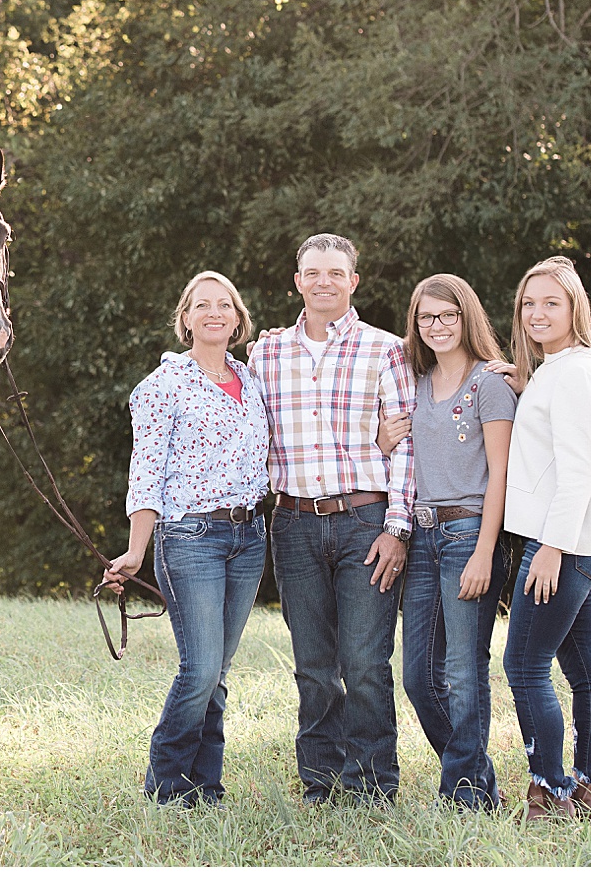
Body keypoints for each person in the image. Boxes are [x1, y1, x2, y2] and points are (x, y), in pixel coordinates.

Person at [250, 233, 414, 805]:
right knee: (314, 664)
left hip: (364, 522)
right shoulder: (265, 354)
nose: (323, 281)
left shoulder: (385, 348)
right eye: (312, 272)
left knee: (366, 661)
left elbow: (407, 446)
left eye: (335, 273)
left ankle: (372, 784)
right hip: (292, 525)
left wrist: (397, 527)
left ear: (353, 282)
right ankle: (320, 780)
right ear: (297, 281)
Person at [106, 271, 272, 806]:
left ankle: (208, 787)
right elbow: (146, 472)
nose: (215, 313)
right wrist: (136, 549)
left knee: (217, 672)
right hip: (191, 537)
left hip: (249, 536)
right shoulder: (161, 387)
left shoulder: (252, 381)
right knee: (199, 669)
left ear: (239, 319)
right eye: (202, 305)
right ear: (186, 319)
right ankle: (168, 784)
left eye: (225, 304)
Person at [377, 274, 516, 811]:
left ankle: (462, 796)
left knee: (464, 672)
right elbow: (399, 452)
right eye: (425, 317)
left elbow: (500, 473)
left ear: (466, 318)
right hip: (423, 535)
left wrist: (485, 550)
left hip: (468, 535)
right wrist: (382, 438)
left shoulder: (490, 384)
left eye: (447, 316)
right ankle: (478, 781)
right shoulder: (416, 383)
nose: (436, 326)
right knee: (417, 676)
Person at [500, 255, 591, 822]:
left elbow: (576, 472)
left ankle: (550, 791)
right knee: (586, 673)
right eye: (529, 303)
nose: (538, 312)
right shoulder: (565, 368)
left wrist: (550, 548)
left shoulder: (571, 373)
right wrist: (528, 385)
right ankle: (588, 789)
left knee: (523, 666)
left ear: (575, 308)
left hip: (562, 546)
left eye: (552, 303)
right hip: (585, 541)